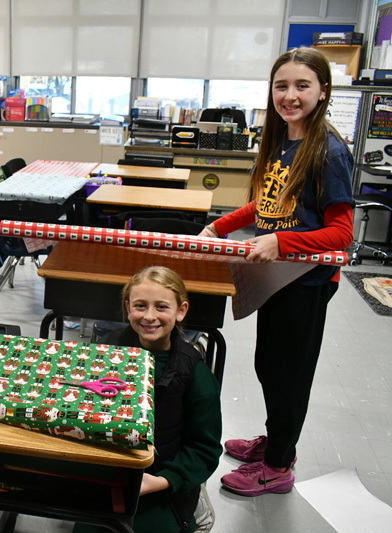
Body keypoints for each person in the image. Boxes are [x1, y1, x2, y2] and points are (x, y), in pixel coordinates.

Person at [199, 47, 354, 496]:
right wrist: (220, 225)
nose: (290, 95)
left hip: (305, 282)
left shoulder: (328, 151)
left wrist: (280, 242)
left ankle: (279, 465)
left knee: (289, 374)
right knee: (269, 366)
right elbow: (266, 204)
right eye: (281, 85)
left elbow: (341, 234)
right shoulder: (284, 141)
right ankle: (276, 441)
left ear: (322, 91)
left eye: (302, 85)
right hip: (276, 279)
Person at [91, 266, 222, 533]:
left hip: (162, 483)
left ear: (181, 310)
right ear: (128, 308)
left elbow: (205, 450)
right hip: (107, 474)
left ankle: (197, 509)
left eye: (161, 307)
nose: (149, 316)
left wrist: (161, 481)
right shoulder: (107, 347)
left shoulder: (195, 374)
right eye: (140, 306)